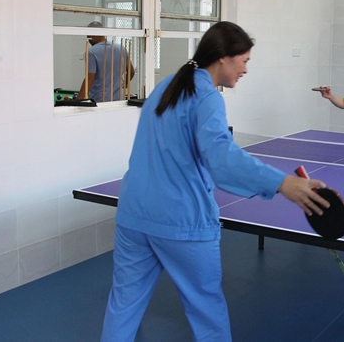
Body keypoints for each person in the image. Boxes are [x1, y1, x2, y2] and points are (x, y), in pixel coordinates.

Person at [100, 21, 329, 342]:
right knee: (206, 310)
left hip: (134, 215)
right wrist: (282, 183)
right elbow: (222, 160)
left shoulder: (166, 86)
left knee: (124, 303)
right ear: (223, 57)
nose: (246, 69)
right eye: (244, 61)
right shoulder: (207, 97)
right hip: (181, 221)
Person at [77, 21, 135, 102]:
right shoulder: (121, 48)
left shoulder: (91, 52)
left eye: (88, 37)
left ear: (93, 35)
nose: (89, 40)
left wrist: (78, 100)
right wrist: (124, 85)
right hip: (119, 99)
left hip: (100, 99)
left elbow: (90, 78)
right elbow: (131, 72)